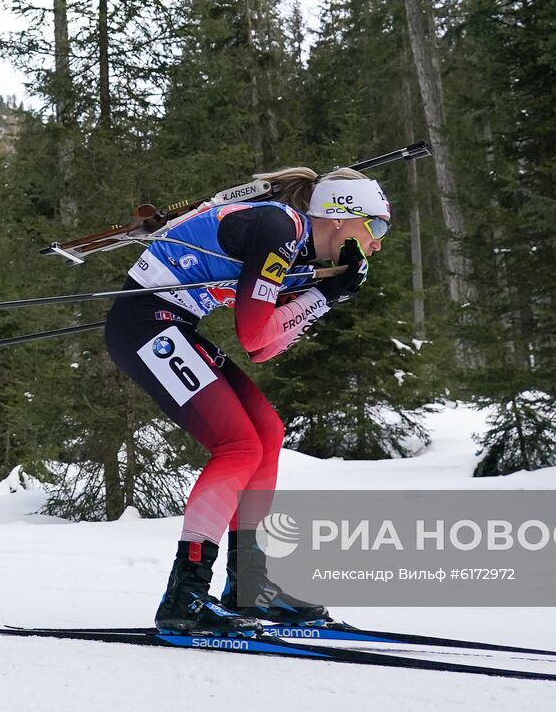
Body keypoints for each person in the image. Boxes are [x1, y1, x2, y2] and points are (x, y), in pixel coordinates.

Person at [104, 165, 391, 636]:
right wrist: (324, 293)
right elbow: (256, 337)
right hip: (146, 325)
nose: (378, 241)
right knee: (238, 444)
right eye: (375, 226)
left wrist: (324, 294)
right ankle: (185, 596)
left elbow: (267, 345)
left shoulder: (294, 247)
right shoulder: (280, 228)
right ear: (340, 217)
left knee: (266, 433)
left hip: (172, 324)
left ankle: (250, 587)